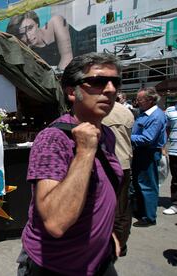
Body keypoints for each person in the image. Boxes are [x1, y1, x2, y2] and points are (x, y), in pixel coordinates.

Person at [18, 52, 123, 276]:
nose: (111, 89)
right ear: (71, 92)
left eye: (115, 82)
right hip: (56, 267)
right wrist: (85, 152)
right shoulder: (53, 139)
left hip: (100, 259)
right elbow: (55, 222)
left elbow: (103, 190)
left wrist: (107, 232)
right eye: (97, 82)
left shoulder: (106, 134)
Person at [131, 87, 167, 227]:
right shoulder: (144, 113)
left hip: (148, 153)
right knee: (140, 183)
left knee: (148, 185)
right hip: (141, 152)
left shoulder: (156, 116)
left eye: (140, 99)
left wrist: (127, 136)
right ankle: (142, 211)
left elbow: (147, 138)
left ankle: (149, 217)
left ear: (150, 100)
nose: (137, 102)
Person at [102, 101, 134, 256]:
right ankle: (121, 243)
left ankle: (118, 244)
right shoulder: (126, 111)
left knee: (116, 209)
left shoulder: (104, 111)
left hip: (112, 163)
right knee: (123, 206)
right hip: (124, 161)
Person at [6, 11, 73, 70]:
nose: (28, 36)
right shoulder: (30, 53)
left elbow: (67, 57)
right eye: (21, 34)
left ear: (37, 23)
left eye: (30, 28)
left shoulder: (56, 21)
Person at [163, 103, 177, 215]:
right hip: (174, 151)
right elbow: (166, 130)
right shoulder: (170, 110)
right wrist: (163, 146)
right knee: (176, 179)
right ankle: (175, 204)